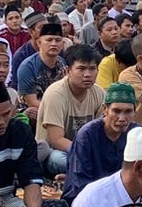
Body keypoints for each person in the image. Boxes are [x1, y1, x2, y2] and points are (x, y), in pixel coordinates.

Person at [37, 43, 105, 176]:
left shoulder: (99, 93)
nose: (88, 74)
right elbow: (56, 140)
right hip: (56, 151)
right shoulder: (56, 94)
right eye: (81, 69)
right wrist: (87, 154)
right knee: (57, 159)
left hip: (87, 151)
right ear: (68, 71)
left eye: (92, 69)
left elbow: (100, 133)